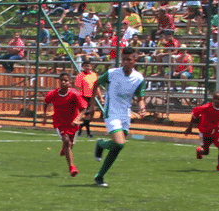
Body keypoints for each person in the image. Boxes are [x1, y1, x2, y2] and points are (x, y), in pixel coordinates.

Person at [91, 46, 148, 188]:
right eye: (124, 59)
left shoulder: (139, 78)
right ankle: (101, 144)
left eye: (129, 59)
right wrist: (92, 104)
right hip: (111, 112)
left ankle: (100, 176)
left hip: (125, 114)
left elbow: (140, 97)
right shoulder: (112, 73)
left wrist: (142, 108)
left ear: (134, 60)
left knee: (118, 147)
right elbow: (96, 83)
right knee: (119, 143)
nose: (126, 62)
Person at [40, 71, 89, 177]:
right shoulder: (53, 94)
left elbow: (84, 108)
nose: (63, 82)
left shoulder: (74, 94)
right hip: (59, 122)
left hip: (72, 123)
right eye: (61, 80)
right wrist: (44, 117)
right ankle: (72, 167)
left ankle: (64, 148)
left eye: (66, 80)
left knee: (70, 144)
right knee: (67, 141)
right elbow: (46, 103)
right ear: (59, 82)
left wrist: (77, 119)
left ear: (70, 82)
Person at [186, 91, 219, 173]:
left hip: (216, 131)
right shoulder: (206, 107)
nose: (216, 100)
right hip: (205, 131)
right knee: (206, 152)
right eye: (215, 98)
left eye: (218, 99)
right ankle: (200, 151)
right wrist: (189, 128)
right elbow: (194, 115)